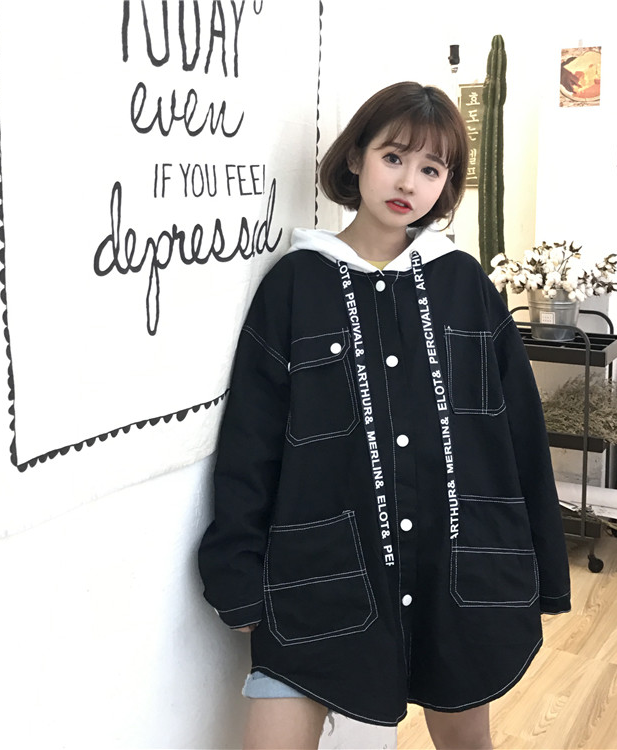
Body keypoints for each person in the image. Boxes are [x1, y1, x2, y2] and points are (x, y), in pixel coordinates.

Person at [198, 81, 571, 750]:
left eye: (431, 169)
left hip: (453, 576)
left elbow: (519, 432)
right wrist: (238, 573)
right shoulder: (295, 284)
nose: (408, 182)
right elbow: (252, 441)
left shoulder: (464, 285)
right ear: (356, 158)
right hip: (320, 580)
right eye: (393, 157)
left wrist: (543, 562)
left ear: (446, 184)